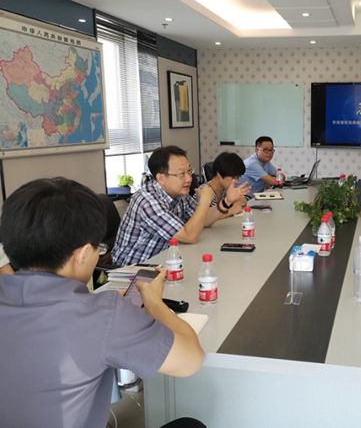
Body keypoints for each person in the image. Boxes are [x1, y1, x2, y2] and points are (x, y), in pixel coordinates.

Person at [0, 177, 204, 428]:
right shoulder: (103, 314)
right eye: (99, 247)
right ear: (83, 254)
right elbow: (190, 360)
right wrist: (153, 301)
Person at [112, 145, 248, 266]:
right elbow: (190, 236)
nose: (189, 178)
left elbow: (204, 219)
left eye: (189, 171)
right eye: (181, 174)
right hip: (132, 269)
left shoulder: (179, 194)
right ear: (161, 178)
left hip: (164, 260)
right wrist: (204, 201)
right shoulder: (147, 201)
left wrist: (226, 202)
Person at [200, 151, 249, 216]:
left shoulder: (225, 188)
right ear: (219, 174)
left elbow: (243, 200)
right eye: (233, 177)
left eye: (237, 177)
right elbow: (207, 217)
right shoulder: (203, 191)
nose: (236, 181)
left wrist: (237, 204)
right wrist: (231, 210)